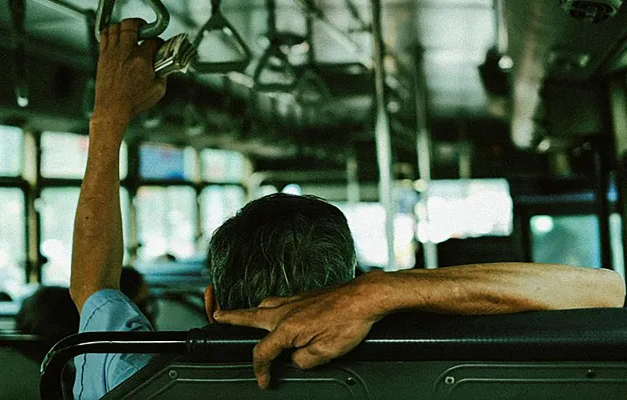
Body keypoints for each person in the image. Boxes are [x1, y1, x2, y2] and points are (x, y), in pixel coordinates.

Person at [69, 18, 626, 399]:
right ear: (349, 292)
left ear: (210, 302)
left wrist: (108, 116)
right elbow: (604, 291)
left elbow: (93, 285)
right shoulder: (438, 373)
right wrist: (386, 291)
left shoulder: (137, 377)